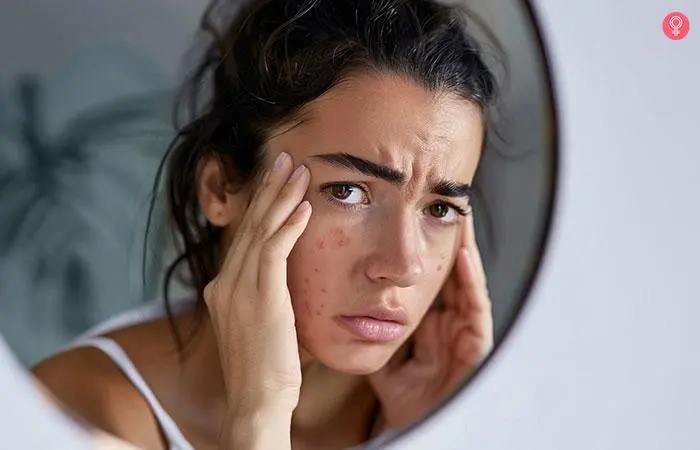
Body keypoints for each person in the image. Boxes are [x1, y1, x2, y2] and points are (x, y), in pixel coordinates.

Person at [32, 0, 497, 448]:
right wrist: (257, 422)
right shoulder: (78, 416)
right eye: (347, 191)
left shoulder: (425, 407)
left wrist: (438, 432)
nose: (403, 265)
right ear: (221, 188)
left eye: (440, 209)